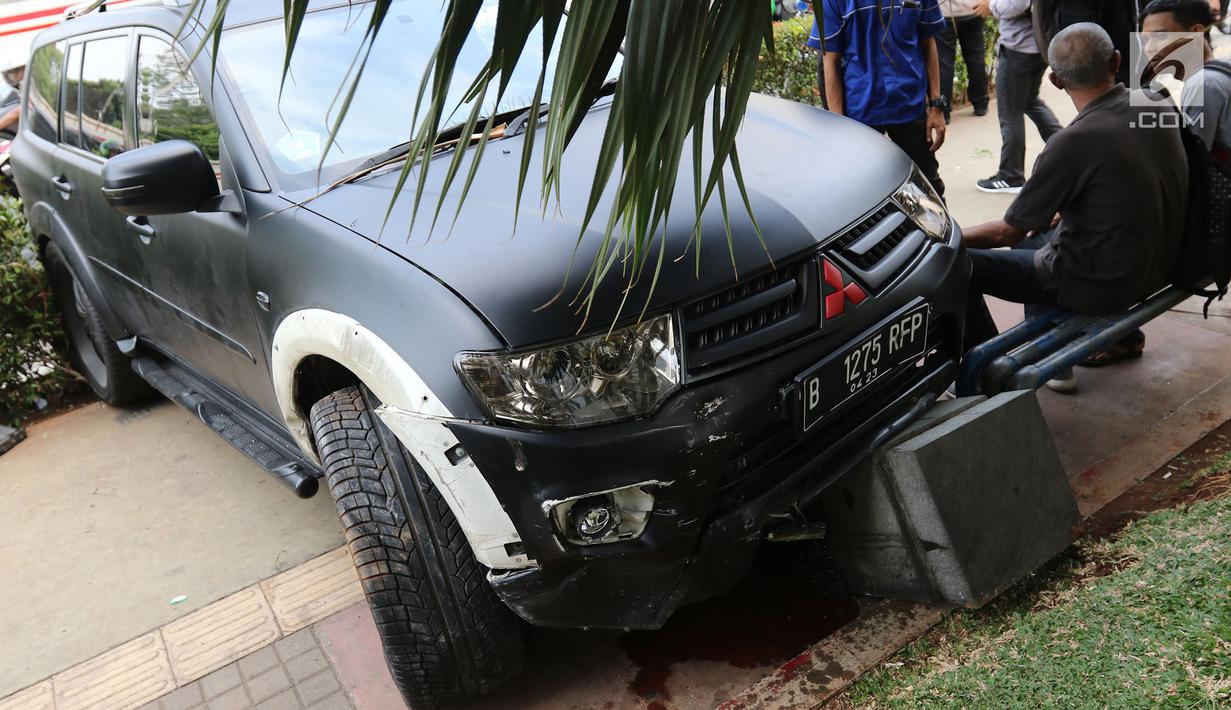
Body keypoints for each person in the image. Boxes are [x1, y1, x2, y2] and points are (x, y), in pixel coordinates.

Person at [961, 23, 1188, 393]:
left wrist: (944, 237)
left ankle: (992, 377)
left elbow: (1007, 231)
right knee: (1038, 231)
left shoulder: (1071, 143)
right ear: (1116, 61)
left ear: (1054, 80)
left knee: (961, 262)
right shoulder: (1156, 101)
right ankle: (1111, 341)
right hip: (1163, 262)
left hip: (1105, 285)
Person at [815, 0, 949, 195]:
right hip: (860, 116)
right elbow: (829, 60)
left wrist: (936, 106)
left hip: (910, 107)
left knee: (929, 187)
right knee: (865, 194)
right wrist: (840, 128)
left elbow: (928, 43)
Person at [974, 0, 1064, 193]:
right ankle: (1068, 147)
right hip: (1036, 45)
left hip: (1019, 49)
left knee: (1010, 112)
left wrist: (991, 7)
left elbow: (1017, 4)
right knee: (1030, 102)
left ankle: (1011, 175)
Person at [1141, 0, 1228, 151]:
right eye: (1145, 40)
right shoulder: (1221, 69)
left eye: (1160, 36)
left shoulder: (1203, 84)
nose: (1149, 48)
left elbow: (1193, 160)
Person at [938, 0, 989, 122]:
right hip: (973, 9)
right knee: (976, 58)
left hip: (945, 13)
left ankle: (943, 112)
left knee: (944, 63)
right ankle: (981, 104)